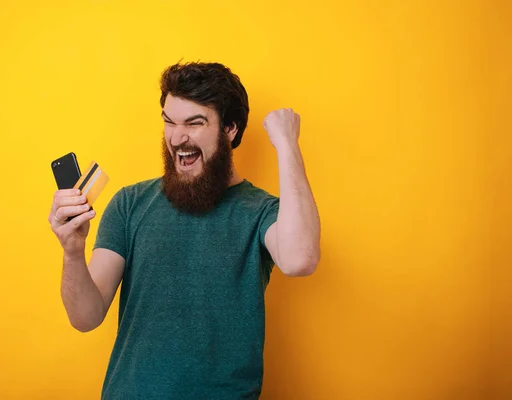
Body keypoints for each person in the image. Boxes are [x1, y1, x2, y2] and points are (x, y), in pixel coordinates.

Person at [48, 62, 321, 399]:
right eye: (169, 121)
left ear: (230, 129)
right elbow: (85, 317)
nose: (177, 138)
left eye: (194, 123)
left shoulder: (261, 211)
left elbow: (300, 259)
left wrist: (287, 144)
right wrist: (72, 250)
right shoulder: (130, 204)